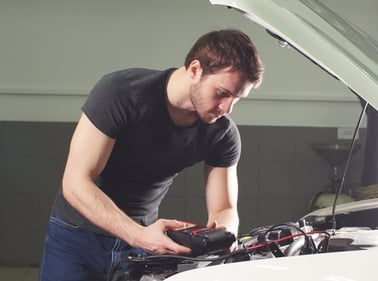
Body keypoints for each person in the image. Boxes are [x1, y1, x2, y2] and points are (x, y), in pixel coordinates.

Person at [39, 28, 264, 281]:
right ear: (195, 69)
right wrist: (136, 234)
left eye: (238, 98)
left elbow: (224, 208)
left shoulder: (222, 133)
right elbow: (75, 183)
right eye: (222, 93)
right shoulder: (121, 92)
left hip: (143, 245)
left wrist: (221, 237)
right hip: (77, 236)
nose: (227, 108)